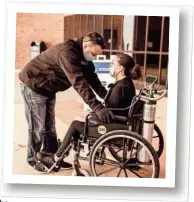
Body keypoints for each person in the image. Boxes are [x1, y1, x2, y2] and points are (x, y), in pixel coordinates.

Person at [19, 32, 116, 173]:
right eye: (93, 54)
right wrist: (97, 107)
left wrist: (107, 98)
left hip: (48, 88)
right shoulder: (67, 53)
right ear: (86, 45)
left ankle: (53, 158)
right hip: (34, 85)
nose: (93, 58)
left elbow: (93, 80)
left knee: (50, 125)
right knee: (37, 127)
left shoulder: (84, 56)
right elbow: (79, 83)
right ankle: (32, 159)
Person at [39, 53, 141, 173]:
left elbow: (109, 111)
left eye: (112, 63)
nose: (110, 65)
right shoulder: (126, 83)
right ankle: (61, 154)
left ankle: (55, 160)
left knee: (75, 125)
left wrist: (94, 113)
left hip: (113, 126)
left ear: (120, 69)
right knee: (82, 123)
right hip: (120, 122)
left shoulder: (121, 88)